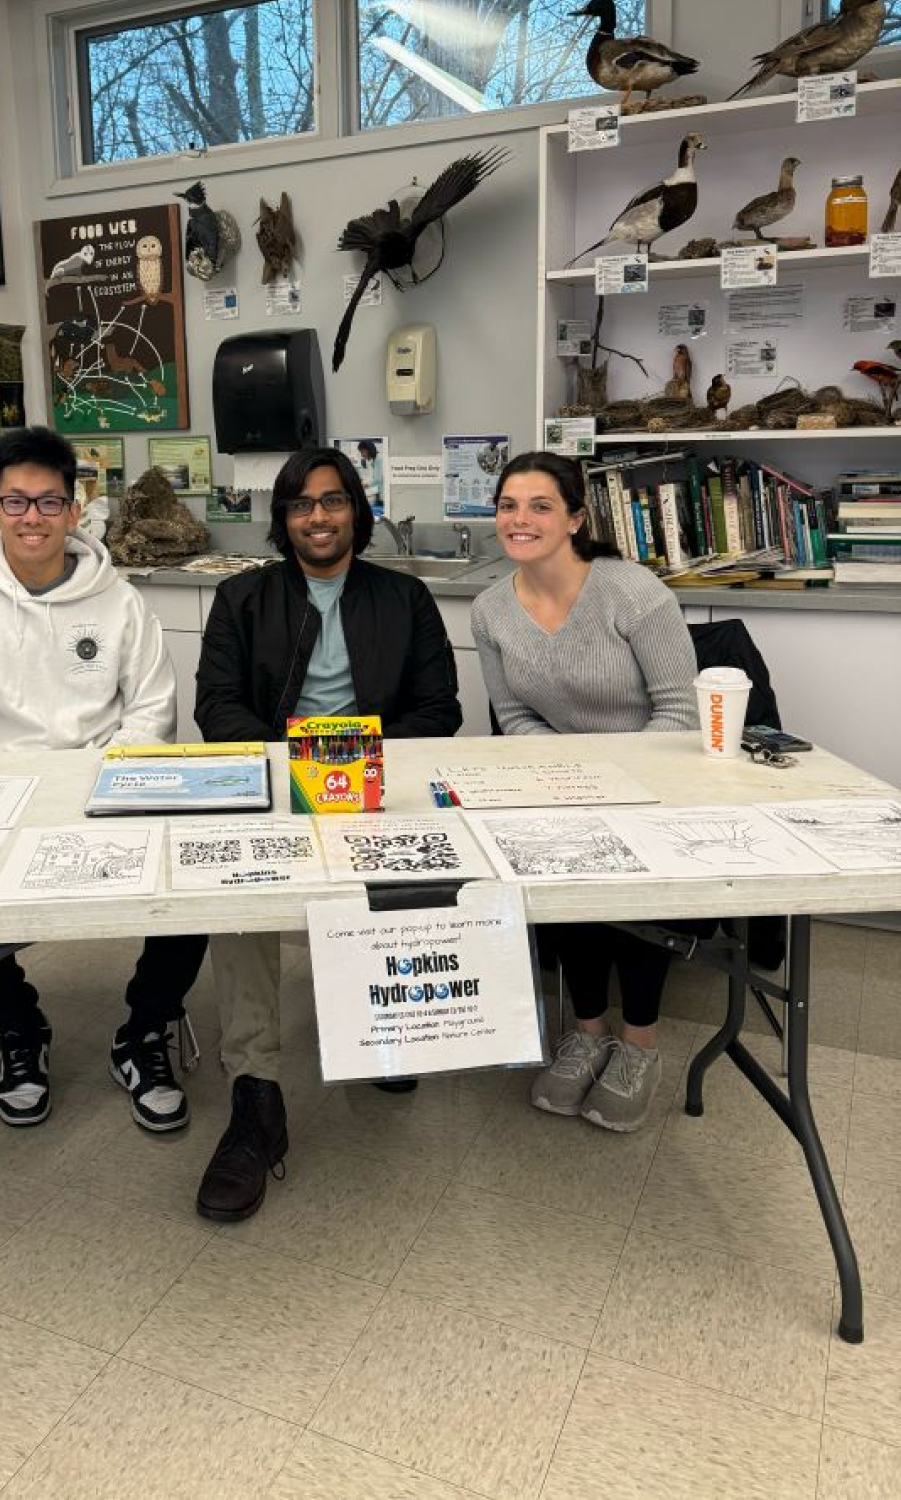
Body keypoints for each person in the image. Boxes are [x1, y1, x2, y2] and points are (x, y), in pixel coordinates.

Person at [0, 425, 206, 1133]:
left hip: (108, 793)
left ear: (76, 510)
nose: (32, 518)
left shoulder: (123, 604)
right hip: (0, 801)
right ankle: (19, 1028)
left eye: (48, 502)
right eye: (16, 502)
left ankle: (142, 1030)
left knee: (199, 884)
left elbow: (152, 710)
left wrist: (97, 787)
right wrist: (19, 794)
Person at [193, 446, 461, 1222]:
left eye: (333, 500)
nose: (318, 515)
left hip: (376, 787)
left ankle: (385, 1022)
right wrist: (298, 765)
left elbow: (439, 708)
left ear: (356, 510)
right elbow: (218, 708)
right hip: (279, 789)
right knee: (237, 900)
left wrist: (354, 759)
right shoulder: (242, 598)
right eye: (302, 503)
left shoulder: (404, 598)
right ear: (283, 518)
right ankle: (255, 1094)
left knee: (417, 866)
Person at [471, 450, 698, 1132]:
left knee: (633, 877)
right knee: (556, 869)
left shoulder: (632, 592)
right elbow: (513, 717)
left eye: (540, 505)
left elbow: (679, 714)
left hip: (655, 781)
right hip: (560, 783)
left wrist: (614, 788)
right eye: (509, 505)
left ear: (574, 517)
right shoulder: (489, 610)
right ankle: (588, 1030)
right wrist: (567, 781)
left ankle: (639, 1043)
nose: (520, 519)